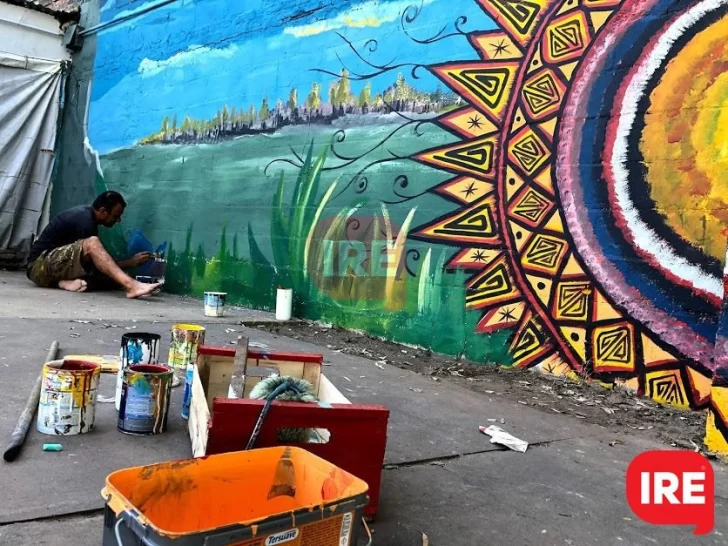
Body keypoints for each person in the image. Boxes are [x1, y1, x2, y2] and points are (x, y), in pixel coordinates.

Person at [26, 191, 161, 298]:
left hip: (49, 269)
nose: (118, 220)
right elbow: (98, 267)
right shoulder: (84, 221)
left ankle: (62, 282)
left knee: (112, 279)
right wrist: (130, 263)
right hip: (39, 267)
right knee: (93, 244)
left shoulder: (87, 218)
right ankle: (132, 286)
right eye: (115, 216)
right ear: (102, 211)